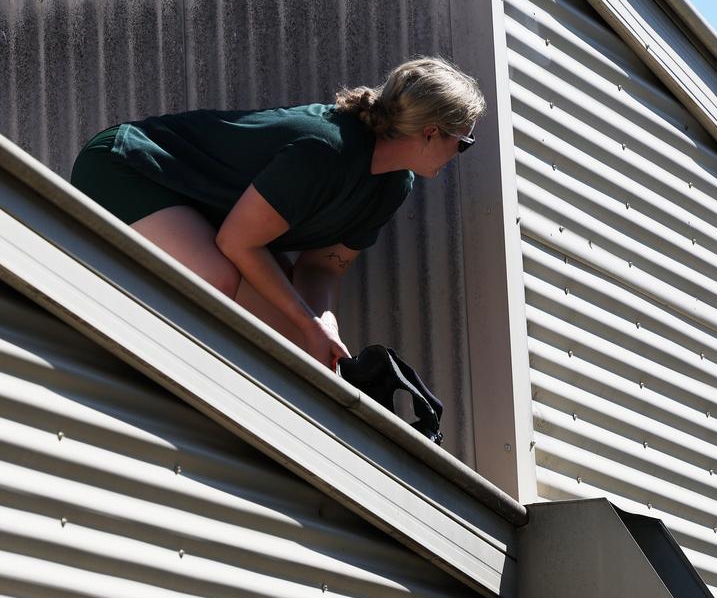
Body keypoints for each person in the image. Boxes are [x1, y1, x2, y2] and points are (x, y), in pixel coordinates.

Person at [71, 56, 485, 369]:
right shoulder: (326, 150)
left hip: (208, 210)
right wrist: (308, 323)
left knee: (297, 343)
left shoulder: (394, 184)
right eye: (463, 142)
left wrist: (322, 325)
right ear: (431, 132)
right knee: (219, 277)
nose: (461, 153)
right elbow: (236, 242)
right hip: (131, 167)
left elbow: (323, 267)